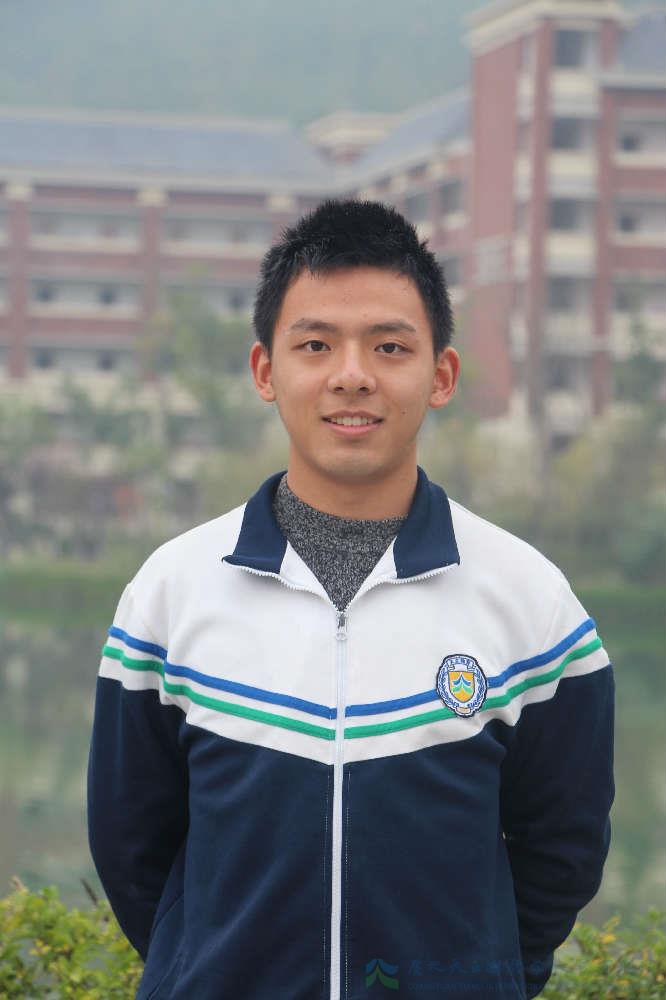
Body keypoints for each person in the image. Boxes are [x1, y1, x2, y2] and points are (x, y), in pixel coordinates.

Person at [88, 199, 614, 1000]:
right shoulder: (172, 591)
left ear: (441, 376)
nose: (352, 375)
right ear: (266, 371)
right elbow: (133, 847)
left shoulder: (532, 602)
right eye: (316, 344)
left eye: (390, 346)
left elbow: (563, 848)